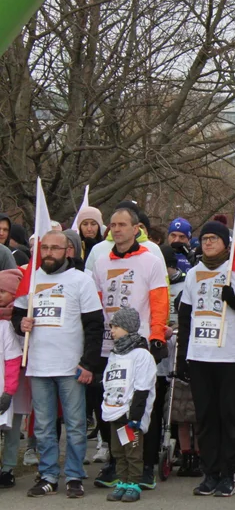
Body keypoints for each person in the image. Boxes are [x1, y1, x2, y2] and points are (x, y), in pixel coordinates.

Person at [175, 221, 235, 498]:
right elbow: (185, 317)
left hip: (229, 356)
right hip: (200, 355)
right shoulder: (193, 274)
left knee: (228, 416)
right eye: (204, 239)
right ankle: (210, 473)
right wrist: (182, 358)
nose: (208, 243)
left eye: (213, 238)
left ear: (226, 243)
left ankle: (227, 474)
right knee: (205, 417)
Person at [12, 229, 105, 499]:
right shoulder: (31, 279)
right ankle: (48, 475)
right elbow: (18, 314)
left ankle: (74, 475)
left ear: (68, 251)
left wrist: (89, 363)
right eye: (45, 248)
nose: (49, 253)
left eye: (55, 248)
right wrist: (21, 323)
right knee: (43, 425)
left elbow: (94, 326)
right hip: (39, 366)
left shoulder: (81, 280)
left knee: (76, 424)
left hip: (71, 366)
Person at [89, 207, 170, 490]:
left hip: (140, 342)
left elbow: (160, 299)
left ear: (136, 228)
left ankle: (145, 464)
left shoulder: (150, 259)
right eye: (112, 225)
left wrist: (157, 334)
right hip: (109, 343)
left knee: (143, 403)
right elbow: (96, 302)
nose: (116, 229)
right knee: (110, 401)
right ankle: (116, 461)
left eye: (122, 225)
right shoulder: (100, 261)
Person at [99, 307, 157, 503]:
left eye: (115, 326)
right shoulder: (115, 354)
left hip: (130, 414)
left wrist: (135, 415)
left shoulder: (141, 355)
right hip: (114, 411)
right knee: (117, 450)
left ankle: (133, 482)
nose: (112, 331)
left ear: (128, 327)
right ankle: (122, 481)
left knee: (132, 449)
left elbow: (143, 386)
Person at [0, 268, 24, 490]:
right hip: (5, 381)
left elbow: (13, 359)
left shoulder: (15, 318)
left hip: (16, 383)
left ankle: (7, 468)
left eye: (3, 291)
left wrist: (9, 390)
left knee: (13, 428)